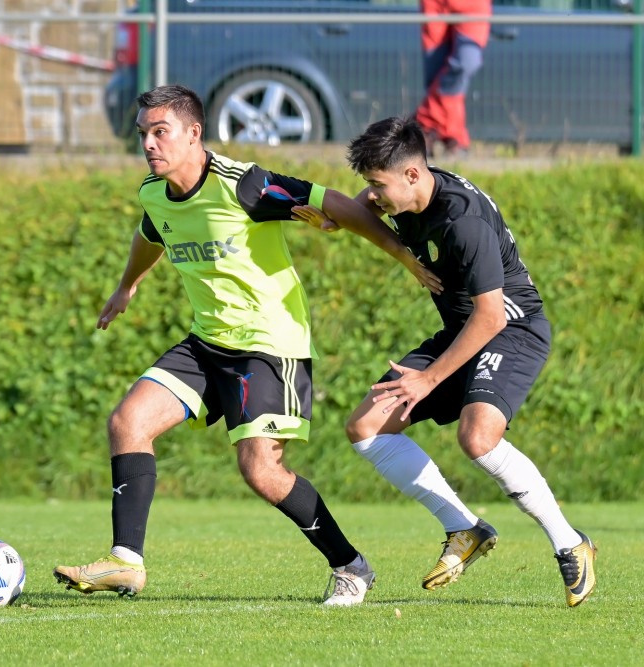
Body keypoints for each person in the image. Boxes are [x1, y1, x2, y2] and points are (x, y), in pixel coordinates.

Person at [53, 85, 441, 607]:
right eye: (143, 133)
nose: (148, 143)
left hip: (268, 344)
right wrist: (127, 286)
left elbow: (333, 203)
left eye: (160, 132)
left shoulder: (243, 184)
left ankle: (351, 566)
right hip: (207, 341)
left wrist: (404, 256)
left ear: (194, 133)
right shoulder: (153, 191)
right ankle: (126, 562)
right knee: (128, 422)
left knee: (260, 470)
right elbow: (152, 233)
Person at [334, 116, 596, 607]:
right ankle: (464, 528)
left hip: (510, 329)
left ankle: (570, 543)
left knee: (477, 437)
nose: (373, 194)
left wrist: (428, 380)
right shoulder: (409, 193)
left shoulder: (463, 222)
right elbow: (361, 206)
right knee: (366, 426)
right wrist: (393, 248)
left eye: (378, 183)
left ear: (412, 174)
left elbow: (492, 316)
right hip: (463, 330)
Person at [415, 0, 491, 157]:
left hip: (472, 4)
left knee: (466, 62)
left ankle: (424, 123)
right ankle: (453, 139)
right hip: (434, 4)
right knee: (436, 74)